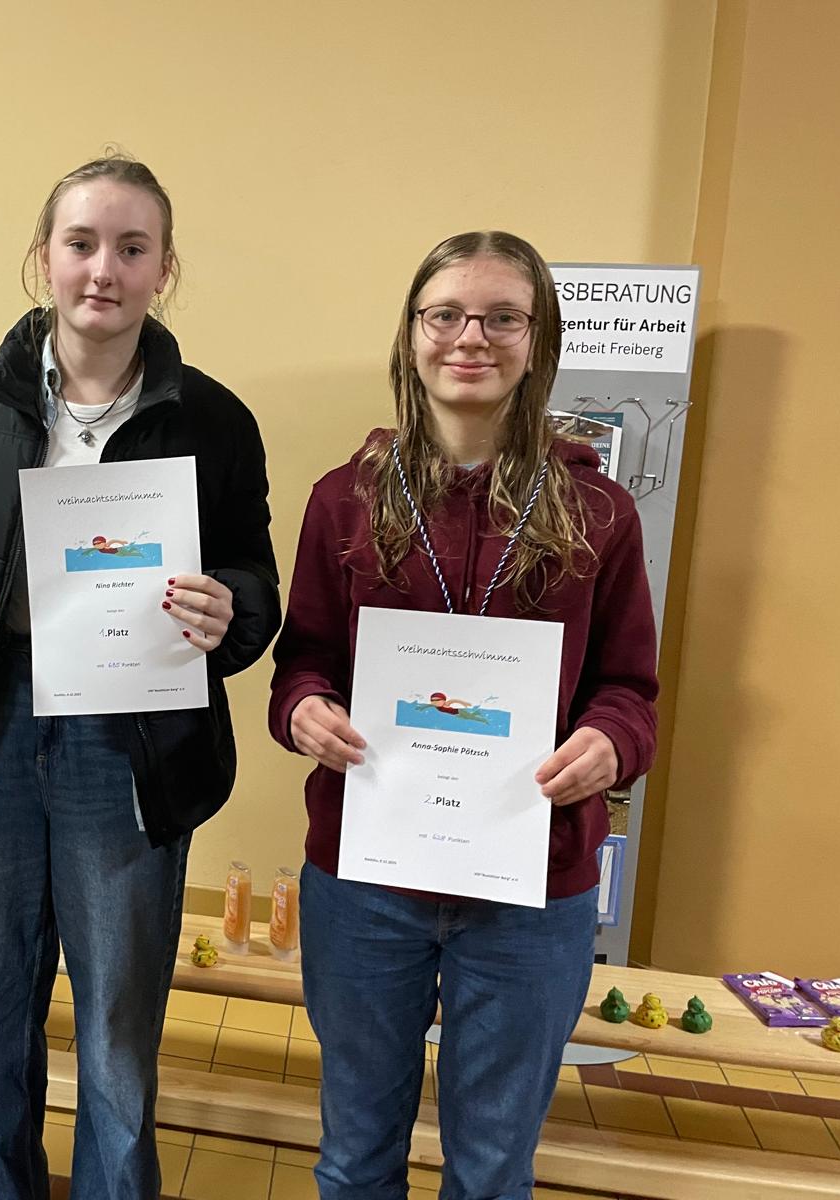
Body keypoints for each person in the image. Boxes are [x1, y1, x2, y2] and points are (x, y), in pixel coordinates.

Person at [0, 154, 280, 1199]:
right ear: (42, 257)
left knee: (113, 1038)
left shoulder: (214, 419)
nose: (104, 269)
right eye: (82, 243)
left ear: (163, 269)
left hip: (134, 742)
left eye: (131, 248)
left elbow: (253, 578)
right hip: (0, 728)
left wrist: (228, 609)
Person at [269, 231, 658, 1199]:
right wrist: (305, 710)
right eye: (444, 314)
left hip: (530, 886)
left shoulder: (600, 511)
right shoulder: (343, 502)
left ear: (539, 340)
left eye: (501, 317)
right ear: (411, 335)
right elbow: (301, 661)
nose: (470, 337)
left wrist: (610, 743)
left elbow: (630, 690)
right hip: (366, 879)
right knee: (354, 1161)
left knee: (489, 1171)